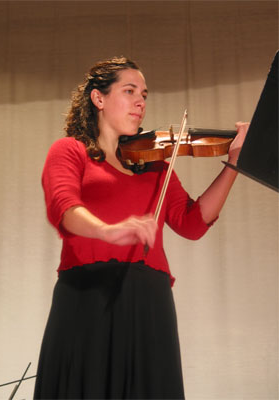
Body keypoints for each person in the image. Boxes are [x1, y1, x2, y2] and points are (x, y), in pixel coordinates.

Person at [34, 56, 248, 400]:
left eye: (144, 95)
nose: (140, 102)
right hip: (88, 293)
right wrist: (108, 230)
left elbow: (192, 224)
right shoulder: (70, 151)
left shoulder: (156, 166)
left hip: (149, 298)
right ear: (98, 98)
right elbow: (64, 208)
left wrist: (234, 164)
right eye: (130, 90)